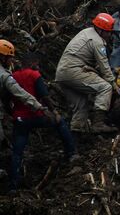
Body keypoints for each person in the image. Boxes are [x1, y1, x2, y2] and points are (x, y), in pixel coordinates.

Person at [10, 51, 76, 191]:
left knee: (17, 151)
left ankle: (13, 185)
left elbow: (8, 97)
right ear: (32, 63)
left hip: (20, 119)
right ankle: (71, 154)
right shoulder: (35, 75)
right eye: (37, 64)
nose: (38, 67)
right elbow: (45, 96)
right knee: (60, 123)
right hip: (36, 115)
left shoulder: (13, 77)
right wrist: (54, 112)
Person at [0, 41, 58, 182]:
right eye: (10, 57)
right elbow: (19, 92)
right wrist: (39, 107)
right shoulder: (4, 75)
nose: (12, 60)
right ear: (2, 57)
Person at [55, 14, 120, 134]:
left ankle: (77, 133)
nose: (110, 35)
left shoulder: (86, 32)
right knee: (105, 88)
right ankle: (98, 123)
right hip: (73, 70)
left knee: (81, 105)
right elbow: (104, 65)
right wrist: (113, 84)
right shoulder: (97, 41)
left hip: (62, 74)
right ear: (101, 30)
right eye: (108, 32)